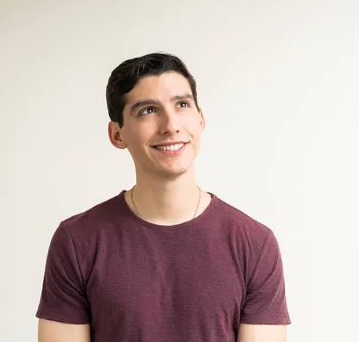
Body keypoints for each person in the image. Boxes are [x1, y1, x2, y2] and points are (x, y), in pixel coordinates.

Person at [35, 53, 291, 341]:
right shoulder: (77, 240)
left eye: (182, 105)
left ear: (200, 118)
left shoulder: (254, 243)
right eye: (147, 110)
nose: (170, 125)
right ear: (117, 134)